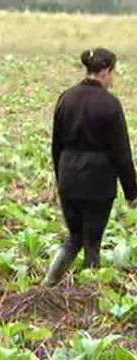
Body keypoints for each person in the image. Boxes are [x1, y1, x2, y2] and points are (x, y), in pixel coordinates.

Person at [43, 48, 137, 287]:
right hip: (98, 182)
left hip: (69, 177)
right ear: (105, 71)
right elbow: (121, 153)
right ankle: (89, 293)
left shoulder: (66, 98)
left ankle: (48, 284)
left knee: (74, 238)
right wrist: (132, 192)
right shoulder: (110, 104)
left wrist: (59, 179)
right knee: (93, 242)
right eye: (112, 73)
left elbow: (56, 145)